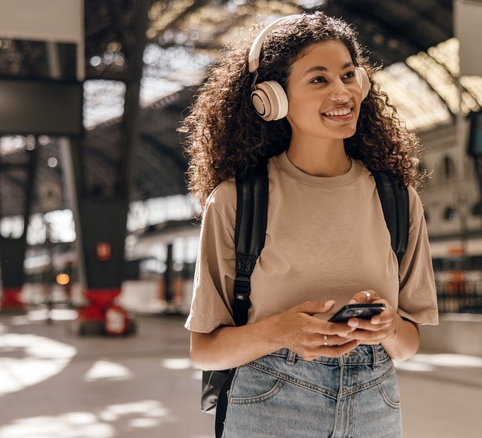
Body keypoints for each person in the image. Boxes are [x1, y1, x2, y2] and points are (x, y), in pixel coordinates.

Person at [181, 12, 438, 437]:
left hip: (376, 406)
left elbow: (408, 346)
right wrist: (279, 331)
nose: (343, 91)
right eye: (319, 79)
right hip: (270, 405)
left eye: (349, 75)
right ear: (272, 98)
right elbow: (204, 351)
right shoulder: (237, 200)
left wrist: (390, 326)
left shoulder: (397, 200)